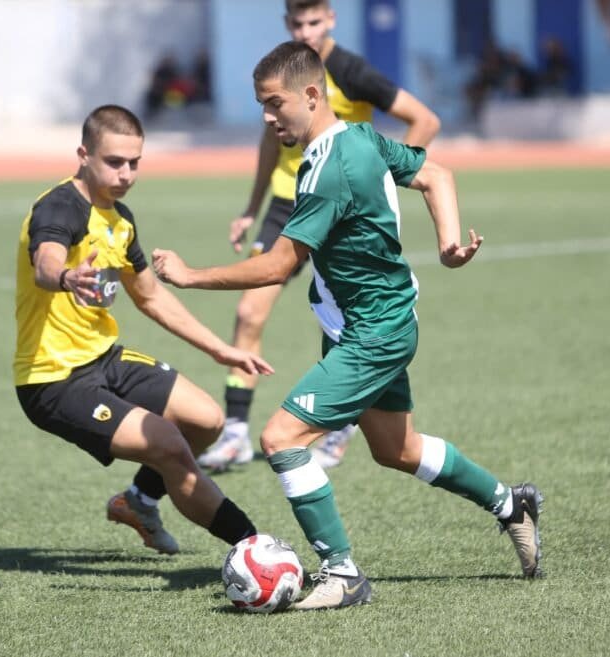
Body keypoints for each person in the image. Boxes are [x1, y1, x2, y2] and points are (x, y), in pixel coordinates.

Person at [153, 42, 543, 610]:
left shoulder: (328, 171)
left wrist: (190, 276)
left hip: (372, 332)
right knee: (398, 449)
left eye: (274, 103)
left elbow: (278, 265)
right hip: (368, 323)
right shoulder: (360, 138)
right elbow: (436, 174)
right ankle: (512, 504)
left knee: (280, 439)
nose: (267, 117)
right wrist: (448, 245)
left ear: (312, 95)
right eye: (262, 105)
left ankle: (342, 574)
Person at [14, 104, 270, 556]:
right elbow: (46, 262)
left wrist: (220, 350)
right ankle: (255, 548)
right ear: (83, 155)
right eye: (114, 162)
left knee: (207, 420)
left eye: (135, 162)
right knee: (168, 446)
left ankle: (139, 501)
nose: (127, 174)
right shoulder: (59, 207)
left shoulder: (120, 219)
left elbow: (150, 297)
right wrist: (67, 276)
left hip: (104, 359)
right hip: (53, 379)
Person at [198, 0, 441, 473]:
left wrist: (378, 176)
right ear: (286, 23)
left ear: (330, 19)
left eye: (313, 22)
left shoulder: (351, 71)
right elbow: (270, 144)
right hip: (287, 202)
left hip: (340, 203)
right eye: (297, 22)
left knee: (343, 318)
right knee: (249, 312)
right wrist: (251, 208)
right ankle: (234, 433)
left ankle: (344, 421)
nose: (305, 31)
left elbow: (425, 120)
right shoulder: (283, 74)